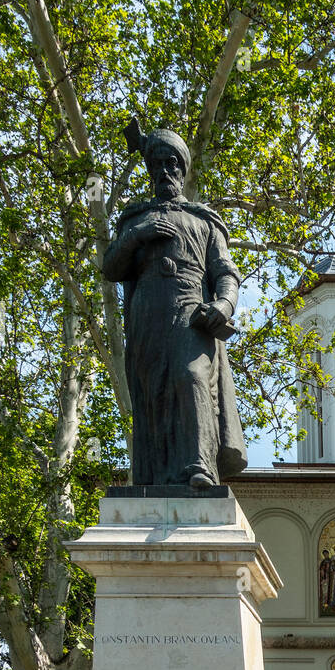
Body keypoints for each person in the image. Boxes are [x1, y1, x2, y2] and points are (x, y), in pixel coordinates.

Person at [103, 126, 247, 488]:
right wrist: (138, 235)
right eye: (158, 165)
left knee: (192, 377)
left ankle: (199, 467)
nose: (165, 171)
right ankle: (152, 477)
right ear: (150, 172)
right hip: (147, 316)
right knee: (153, 392)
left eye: (172, 164)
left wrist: (224, 305)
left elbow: (225, 272)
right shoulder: (135, 219)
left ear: (182, 171)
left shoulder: (205, 220)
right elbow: (111, 269)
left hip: (191, 314)